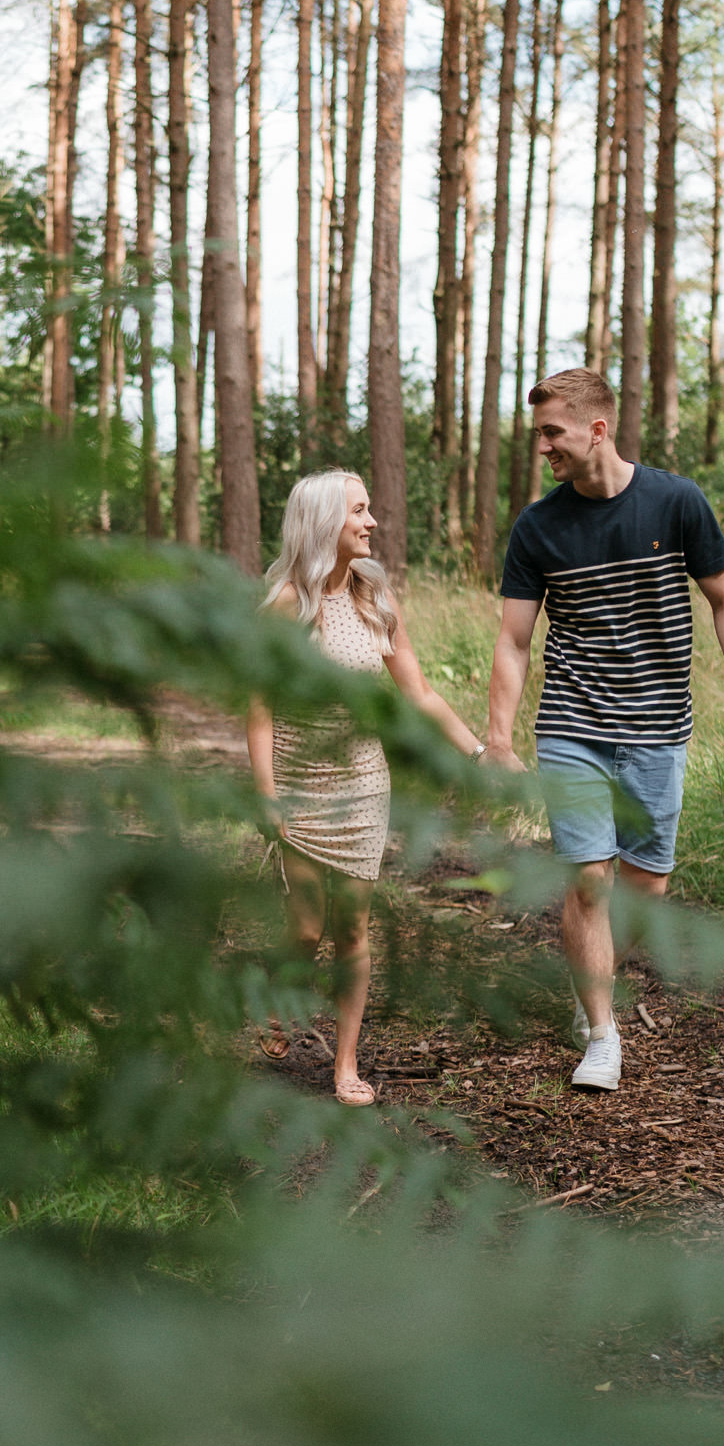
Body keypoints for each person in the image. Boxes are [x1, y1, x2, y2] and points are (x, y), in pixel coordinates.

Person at [479, 368, 724, 1095]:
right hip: (572, 723)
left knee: (646, 887)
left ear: (597, 429)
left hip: (658, 725)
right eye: (540, 434)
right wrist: (500, 738)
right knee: (588, 880)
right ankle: (603, 1033)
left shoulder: (676, 501)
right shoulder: (537, 526)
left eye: (553, 433)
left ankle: (592, 983)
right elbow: (514, 640)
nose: (543, 446)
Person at [249, 470, 487, 1107]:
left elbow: (420, 692)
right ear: (326, 521)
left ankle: (345, 1063)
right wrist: (266, 793)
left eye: (369, 509)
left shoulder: (375, 597)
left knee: (353, 929)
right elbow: (259, 709)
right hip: (299, 783)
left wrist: (479, 753)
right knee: (306, 928)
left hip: (362, 783)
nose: (372, 521)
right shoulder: (287, 605)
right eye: (359, 510)